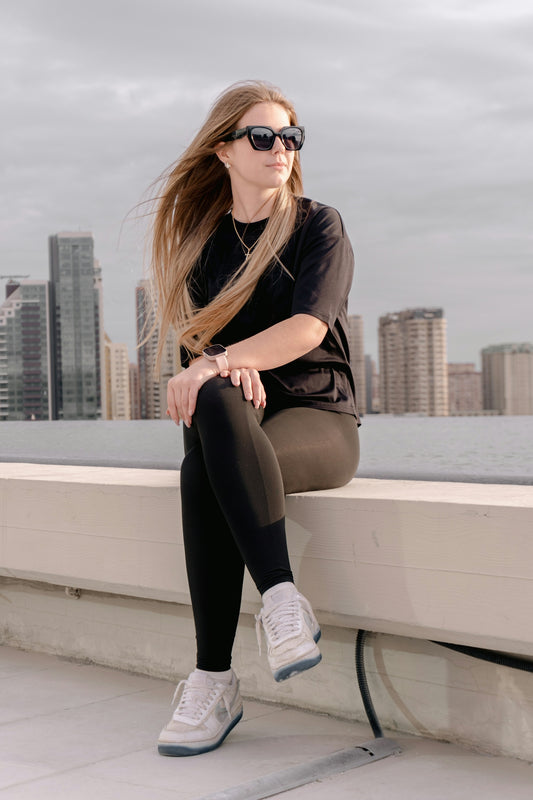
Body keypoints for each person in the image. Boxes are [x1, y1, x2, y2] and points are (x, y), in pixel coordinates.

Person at [148, 80, 360, 757]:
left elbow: (306, 328)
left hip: (318, 420)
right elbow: (198, 364)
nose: (280, 149)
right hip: (239, 424)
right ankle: (225, 669)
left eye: (290, 137)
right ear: (224, 151)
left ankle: (263, 620)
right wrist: (221, 369)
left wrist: (225, 360)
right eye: (262, 136)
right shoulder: (203, 246)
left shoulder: (318, 225)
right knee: (210, 420)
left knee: (205, 456)